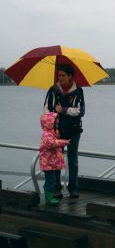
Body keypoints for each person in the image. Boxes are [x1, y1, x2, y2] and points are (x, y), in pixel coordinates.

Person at [44, 64, 85, 199]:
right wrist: (50, 126)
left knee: (73, 160)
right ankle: (56, 188)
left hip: (74, 130)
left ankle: (73, 188)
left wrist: (64, 110)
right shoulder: (53, 90)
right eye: (59, 75)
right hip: (57, 132)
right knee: (56, 160)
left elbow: (81, 111)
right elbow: (46, 110)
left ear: (70, 76)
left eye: (63, 75)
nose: (60, 78)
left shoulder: (78, 91)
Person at [39, 112, 70, 205]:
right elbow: (51, 144)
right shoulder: (46, 135)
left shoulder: (51, 133)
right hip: (48, 163)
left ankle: (50, 195)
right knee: (50, 180)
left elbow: (54, 141)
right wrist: (63, 142)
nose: (57, 122)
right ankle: (49, 197)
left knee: (52, 180)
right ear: (49, 123)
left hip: (52, 163)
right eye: (55, 121)